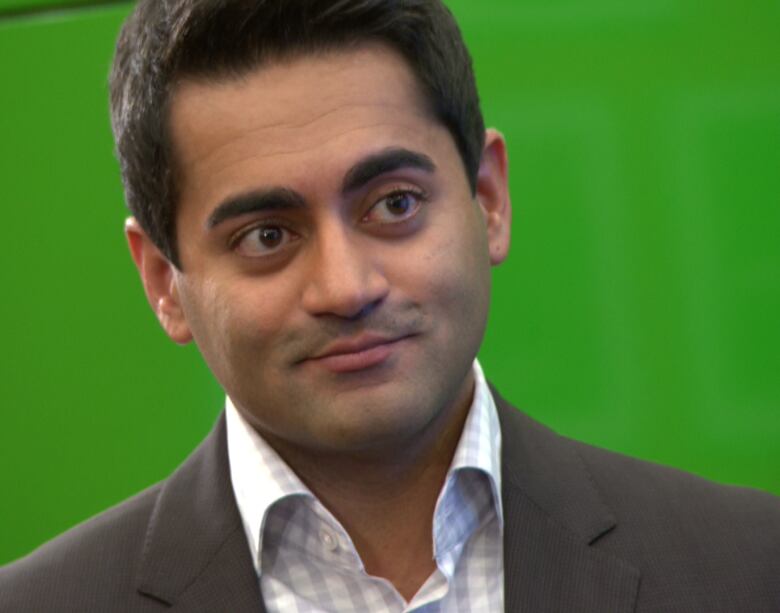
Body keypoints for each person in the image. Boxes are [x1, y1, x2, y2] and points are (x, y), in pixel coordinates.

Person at [1, 0, 778, 611]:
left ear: (489, 198)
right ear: (165, 283)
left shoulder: (751, 568)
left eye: (395, 203)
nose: (346, 286)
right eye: (267, 234)